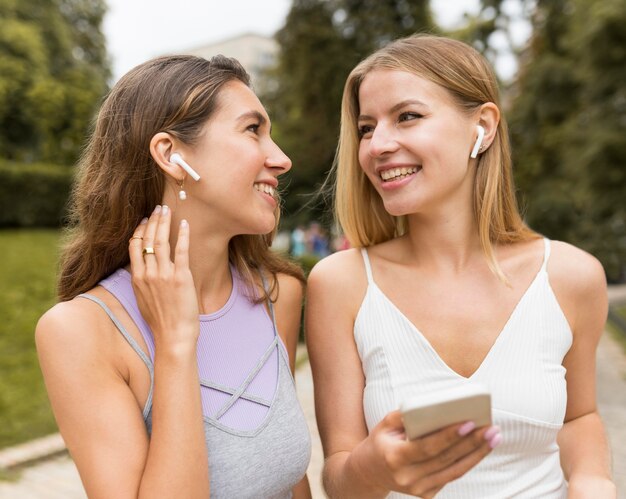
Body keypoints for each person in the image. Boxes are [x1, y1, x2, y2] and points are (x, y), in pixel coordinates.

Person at [305, 34, 616, 498]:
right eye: (367, 128)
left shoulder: (572, 276)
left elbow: (578, 417)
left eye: (407, 116)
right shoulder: (340, 284)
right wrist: (373, 467)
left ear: (483, 127)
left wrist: (594, 481)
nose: (377, 146)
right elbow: (339, 479)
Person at [36, 54, 312, 498]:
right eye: (252, 130)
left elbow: (291, 482)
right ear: (171, 154)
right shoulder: (81, 332)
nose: (281, 159)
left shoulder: (276, 294)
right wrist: (176, 344)